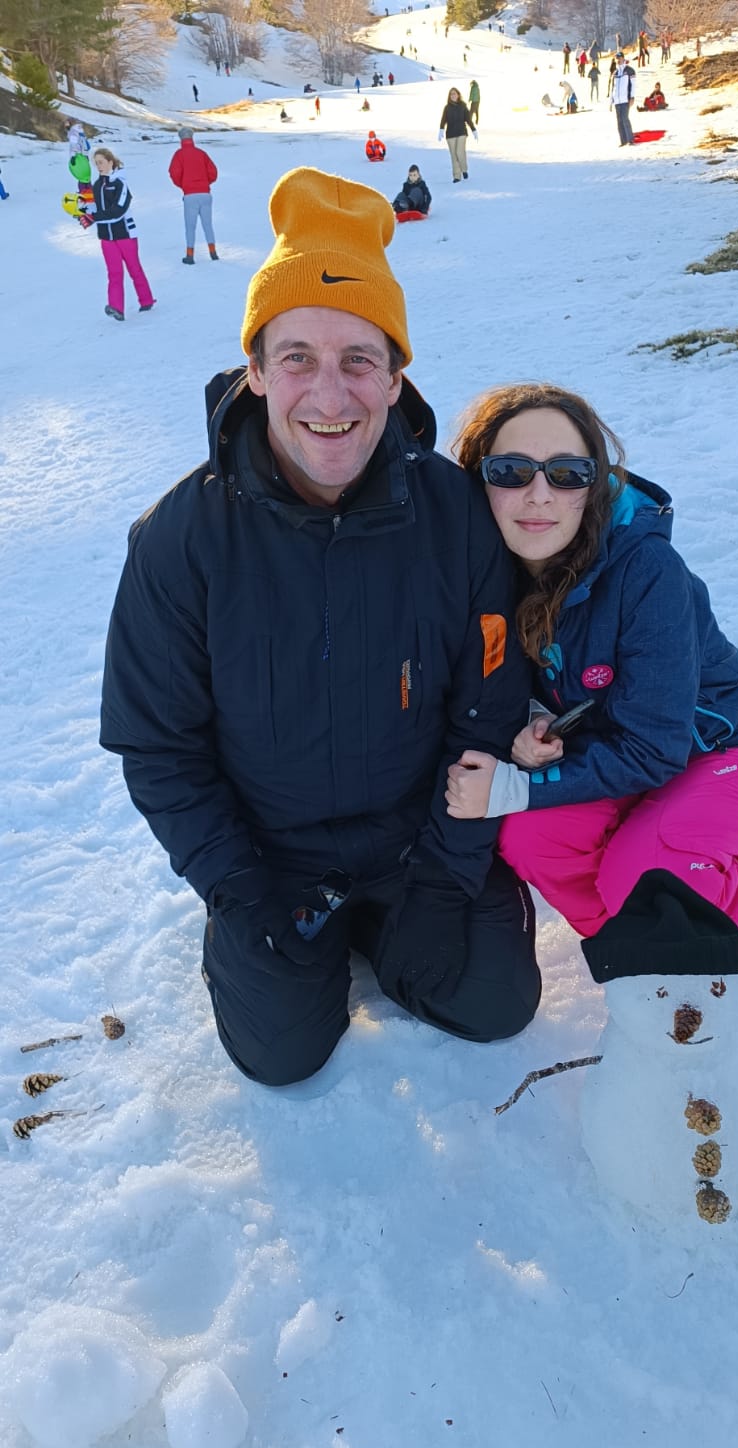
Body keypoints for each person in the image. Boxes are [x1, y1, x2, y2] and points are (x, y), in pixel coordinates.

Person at [99, 168, 541, 1087]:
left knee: (495, 1002)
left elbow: (489, 707)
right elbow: (158, 745)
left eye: (359, 360)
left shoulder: (457, 518)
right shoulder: (182, 539)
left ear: (396, 375)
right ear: (256, 371)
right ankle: (283, 946)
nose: (330, 397)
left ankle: (392, 922)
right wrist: (238, 891)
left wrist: (448, 875)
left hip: (418, 839)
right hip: (271, 859)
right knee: (281, 1058)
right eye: (297, 357)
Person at [448, 382, 738, 972]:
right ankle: (642, 951)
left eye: (566, 474)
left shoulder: (648, 569)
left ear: (595, 484)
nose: (538, 495)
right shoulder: (488, 568)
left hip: (718, 751)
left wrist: (514, 788)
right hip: (611, 748)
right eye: (511, 471)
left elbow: (656, 747)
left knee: (650, 878)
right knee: (532, 839)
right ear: (480, 480)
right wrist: (535, 720)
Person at [88, 147, 155, 320]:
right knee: (114, 273)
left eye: (101, 162)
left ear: (110, 162)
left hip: (125, 234)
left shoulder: (120, 184)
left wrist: (94, 217)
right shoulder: (97, 185)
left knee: (134, 269)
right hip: (106, 237)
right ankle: (116, 308)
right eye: (96, 163)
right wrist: (82, 211)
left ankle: (146, 300)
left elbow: (118, 211)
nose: (99, 166)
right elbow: (95, 208)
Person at [168, 128, 219, 265]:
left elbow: (174, 173)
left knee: (190, 226)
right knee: (208, 225)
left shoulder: (179, 155)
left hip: (190, 195)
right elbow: (213, 172)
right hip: (205, 194)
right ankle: (213, 252)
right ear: (192, 138)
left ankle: (190, 255)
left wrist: (184, 185)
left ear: (181, 139)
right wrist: (205, 183)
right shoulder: (202, 153)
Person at [439, 86, 476, 182]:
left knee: (459, 152)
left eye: (454, 93)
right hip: (450, 134)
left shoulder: (463, 106)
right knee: (453, 155)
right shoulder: (447, 108)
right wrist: (441, 129)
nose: (453, 95)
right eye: (451, 94)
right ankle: (457, 176)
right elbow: (443, 120)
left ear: (458, 95)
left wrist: (473, 130)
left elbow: (468, 119)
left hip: (461, 133)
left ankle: (464, 169)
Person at [609, 51, 635, 146]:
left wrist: (632, 97)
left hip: (625, 99)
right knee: (619, 121)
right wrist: (611, 101)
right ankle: (623, 141)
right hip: (617, 100)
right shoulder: (615, 73)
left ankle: (630, 139)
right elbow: (613, 87)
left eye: (619, 58)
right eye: (617, 58)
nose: (618, 60)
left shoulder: (629, 70)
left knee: (625, 119)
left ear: (623, 58)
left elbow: (633, 85)